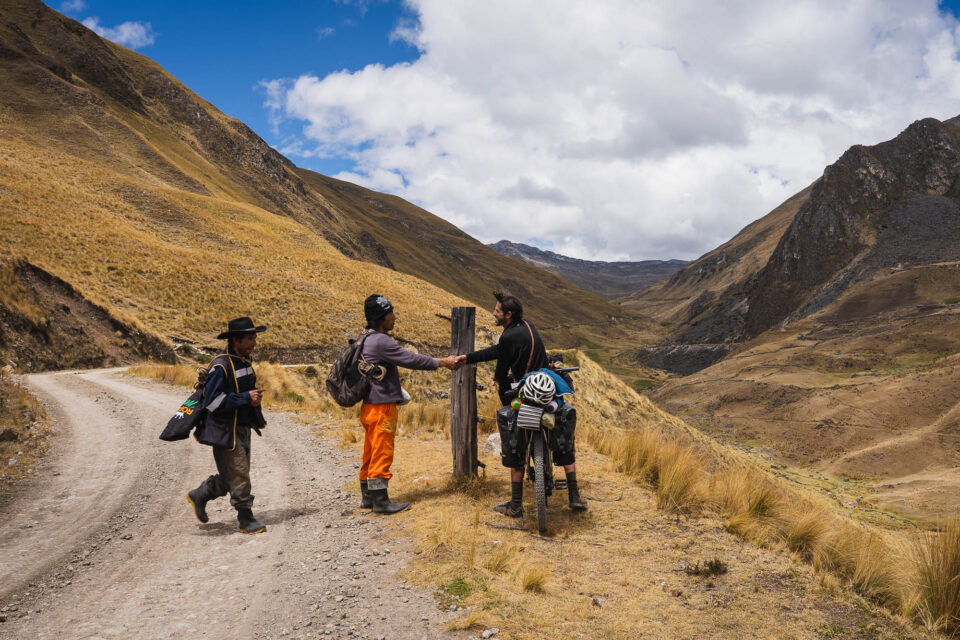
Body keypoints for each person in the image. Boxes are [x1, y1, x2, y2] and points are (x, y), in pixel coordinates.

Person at [456, 292, 587, 517]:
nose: (494, 314)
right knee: (562, 432)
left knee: (514, 429)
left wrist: (498, 380)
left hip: (526, 390)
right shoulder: (528, 326)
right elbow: (499, 351)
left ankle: (516, 505)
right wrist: (468, 357)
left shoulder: (508, 337)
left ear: (508, 314)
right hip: (547, 387)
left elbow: (501, 364)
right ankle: (574, 495)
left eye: (497, 311)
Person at [358, 294, 460, 514]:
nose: (394, 317)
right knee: (382, 452)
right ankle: (381, 501)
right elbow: (411, 359)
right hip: (382, 407)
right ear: (381, 317)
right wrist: (443, 362)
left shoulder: (366, 338)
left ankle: (368, 496)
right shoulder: (381, 341)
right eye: (390, 314)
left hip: (369, 407)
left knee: (370, 451)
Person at [186, 317, 269, 534]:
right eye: (250, 339)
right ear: (236, 340)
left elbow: (243, 395)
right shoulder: (221, 367)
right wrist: (244, 398)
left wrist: (253, 401)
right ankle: (245, 518)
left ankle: (201, 493)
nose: (254, 343)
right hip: (225, 432)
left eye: (254, 338)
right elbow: (212, 403)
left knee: (235, 474)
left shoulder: (244, 363)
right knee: (240, 474)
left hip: (242, 428)